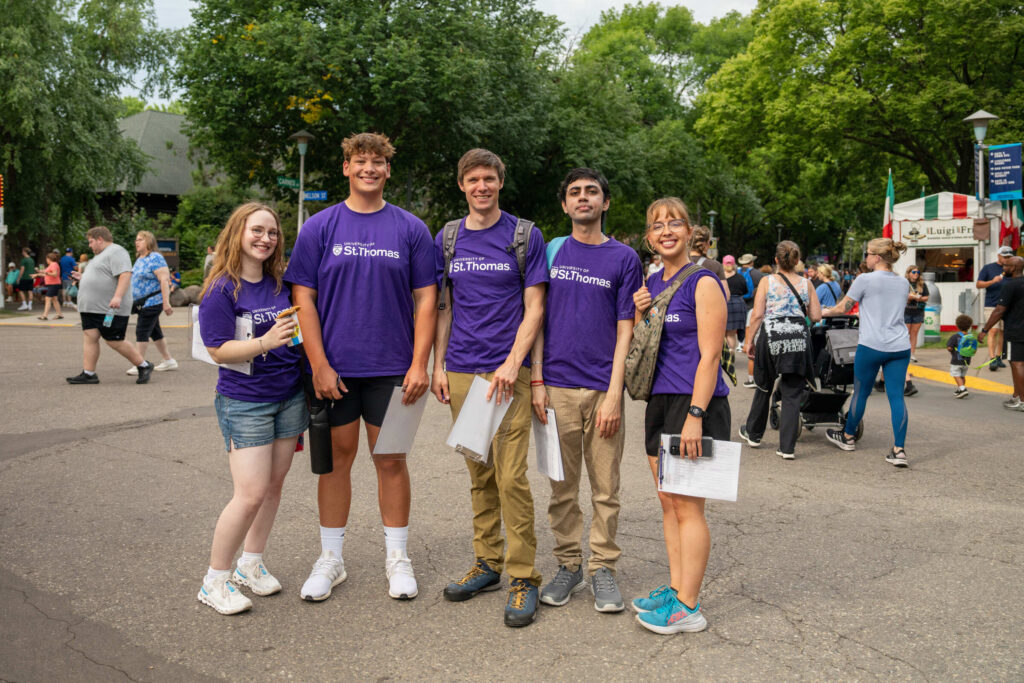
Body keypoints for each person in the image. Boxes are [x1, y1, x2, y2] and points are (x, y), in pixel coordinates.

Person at [286, 132, 437, 603]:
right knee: (336, 461)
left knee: (390, 460)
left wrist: (420, 364)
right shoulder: (319, 227)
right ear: (346, 168)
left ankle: (398, 558)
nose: (369, 167)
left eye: (378, 161)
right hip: (335, 370)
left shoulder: (411, 228)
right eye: (360, 160)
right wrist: (319, 365)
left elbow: (428, 298)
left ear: (388, 170)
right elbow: (302, 299)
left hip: (393, 368)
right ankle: (331, 559)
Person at [431, 148, 547, 627]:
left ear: (501, 182)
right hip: (461, 371)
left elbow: (535, 307)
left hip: (507, 374)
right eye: (473, 179)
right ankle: (488, 562)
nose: (482, 186)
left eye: (489, 179)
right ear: (462, 185)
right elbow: (444, 307)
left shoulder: (524, 235)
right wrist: (439, 366)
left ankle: (523, 577)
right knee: (478, 473)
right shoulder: (449, 237)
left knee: (511, 476)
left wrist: (513, 363)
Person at [530, 168, 641, 614]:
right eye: (574, 192)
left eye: (591, 192)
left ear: (605, 203)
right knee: (561, 487)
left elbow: (625, 328)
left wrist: (615, 392)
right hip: (554, 386)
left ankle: (603, 569)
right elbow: (535, 316)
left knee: (605, 487)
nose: (583, 198)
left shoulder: (623, 258)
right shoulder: (551, 252)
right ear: (565, 205)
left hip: (602, 390)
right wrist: (536, 380)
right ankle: (569, 564)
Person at [196, 202, 306, 615]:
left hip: (289, 397)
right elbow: (217, 349)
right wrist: (266, 342)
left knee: (273, 489)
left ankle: (250, 564)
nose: (265, 239)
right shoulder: (221, 289)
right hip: (245, 402)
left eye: (272, 233)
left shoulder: (281, 283)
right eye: (256, 230)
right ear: (238, 233)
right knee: (249, 494)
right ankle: (214, 580)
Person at [630, 197, 729, 635]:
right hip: (660, 401)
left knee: (689, 508)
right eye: (657, 225)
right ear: (649, 238)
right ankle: (675, 588)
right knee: (668, 502)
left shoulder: (704, 281)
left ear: (691, 232)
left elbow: (711, 357)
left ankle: (689, 607)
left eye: (675, 223)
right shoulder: (655, 281)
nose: (666, 230)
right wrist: (640, 311)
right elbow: (650, 344)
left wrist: (695, 415)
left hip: (695, 405)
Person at [823, 238, 912, 467]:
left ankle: (848, 436)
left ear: (878, 257)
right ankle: (899, 450)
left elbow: (843, 307)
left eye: (868, 254)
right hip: (899, 346)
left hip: (872, 344)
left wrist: (821, 313)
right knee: (896, 397)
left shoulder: (865, 279)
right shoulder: (903, 283)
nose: (866, 258)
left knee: (861, 393)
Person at [738, 241, 822, 460]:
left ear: (776, 260)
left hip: (772, 336)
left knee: (763, 386)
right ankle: (787, 448)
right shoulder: (807, 283)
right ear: (797, 261)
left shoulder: (767, 281)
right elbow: (816, 316)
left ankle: (754, 434)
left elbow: (757, 314)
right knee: (793, 393)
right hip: (798, 339)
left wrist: (749, 341)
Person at [66, 226, 154, 385]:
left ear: (100, 239)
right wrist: (83, 278)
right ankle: (89, 373)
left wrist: (118, 296)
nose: (90, 245)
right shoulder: (99, 256)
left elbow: (125, 274)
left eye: (91, 242)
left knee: (114, 339)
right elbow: (102, 276)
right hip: (91, 308)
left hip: (109, 308)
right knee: (90, 336)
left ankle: (144, 365)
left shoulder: (116, 251)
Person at [126, 230, 177, 375]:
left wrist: (166, 303)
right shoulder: (140, 258)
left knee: (141, 331)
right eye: (136, 240)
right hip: (143, 302)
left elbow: (164, 280)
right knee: (155, 332)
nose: (137, 242)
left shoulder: (155, 258)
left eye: (140, 239)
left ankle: (139, 363)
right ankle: (169, 360)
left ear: (149, 241)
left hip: (153, 302)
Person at [979, 256, 1024, 411]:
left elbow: (999, 310)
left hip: (1015, 330)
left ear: (1013, 268)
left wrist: (985, 330)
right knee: (1017, 363)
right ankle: (1016, 396)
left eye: (1006, 265)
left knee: (1017, 363)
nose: (1003, 267)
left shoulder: (1010, 285)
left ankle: (1022, 401)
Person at [977, 246, 1014, 371]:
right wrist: (992, 281)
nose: (1007, 259)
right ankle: (992, 358)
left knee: (1003, 332)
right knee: (993, 330)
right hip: (992, 304)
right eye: (1005, 257)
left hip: (1008, 306)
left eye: (1009, 256)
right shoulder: (988, 268)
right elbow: (978, 284)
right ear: (998, 256)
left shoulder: (1012, 269)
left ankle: (998, 357)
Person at [903, 265, 929, 395]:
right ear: (908, 273)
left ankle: (912, 353)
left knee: (914, 333)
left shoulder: (922, 284)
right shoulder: (904, 283)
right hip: (907, 311)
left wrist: (919, 297)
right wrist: (912, 297)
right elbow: (903, 297)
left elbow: (926, 297)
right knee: (906, 333)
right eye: (914, 272)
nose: (916, 274)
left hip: (918, 311)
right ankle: (906, 352)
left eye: (918, 272)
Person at [738, 254, 763, 388]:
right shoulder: (758, 274)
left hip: (742, 305)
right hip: (755, 306)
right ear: (752, 262)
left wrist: (748, 342)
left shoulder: (736, 272)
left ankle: (751, 379)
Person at [722, 255, 749, 354]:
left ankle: (723, 356)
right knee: (731, 334)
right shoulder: (740, 277)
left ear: (723, 264)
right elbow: (745, 291)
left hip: (723, 303)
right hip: (738, 304)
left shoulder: (719, 277)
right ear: (734, 265)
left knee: (721, 333)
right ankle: (731, 353)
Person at [946, 314, 974, 399]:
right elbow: (974, 349)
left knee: (956, 374)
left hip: (956, 360)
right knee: (962, 376)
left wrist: (953, 351)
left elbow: (949, 347)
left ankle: (963, 389)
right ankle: (960, 389)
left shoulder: (955, 337)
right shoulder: (971, 337)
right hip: (966, 361)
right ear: (969, 326)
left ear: (957, 325)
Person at [34, 251, 64, 320]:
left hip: (54, 284)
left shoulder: (53, 264)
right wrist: (37, 275)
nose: (46, 260)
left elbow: (54, 274)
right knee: (54, 299)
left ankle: (45, 316)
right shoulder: (52, 265)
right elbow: (46, 274)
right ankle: (59, 314)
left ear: (49, 259)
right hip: (52, 284)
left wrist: (45, 272)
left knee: (47, 299)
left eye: (46, 259)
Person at [16, 247, 35, 311]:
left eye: (22, 251)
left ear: (25, 252)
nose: (22, 252)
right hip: (31, 277)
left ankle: (24, 304)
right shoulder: (32, 260)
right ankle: (30, 305)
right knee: (30, 291)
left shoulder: (23, 260)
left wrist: (18, 277)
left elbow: (22, 269)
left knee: (20, 290)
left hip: (24, 277)